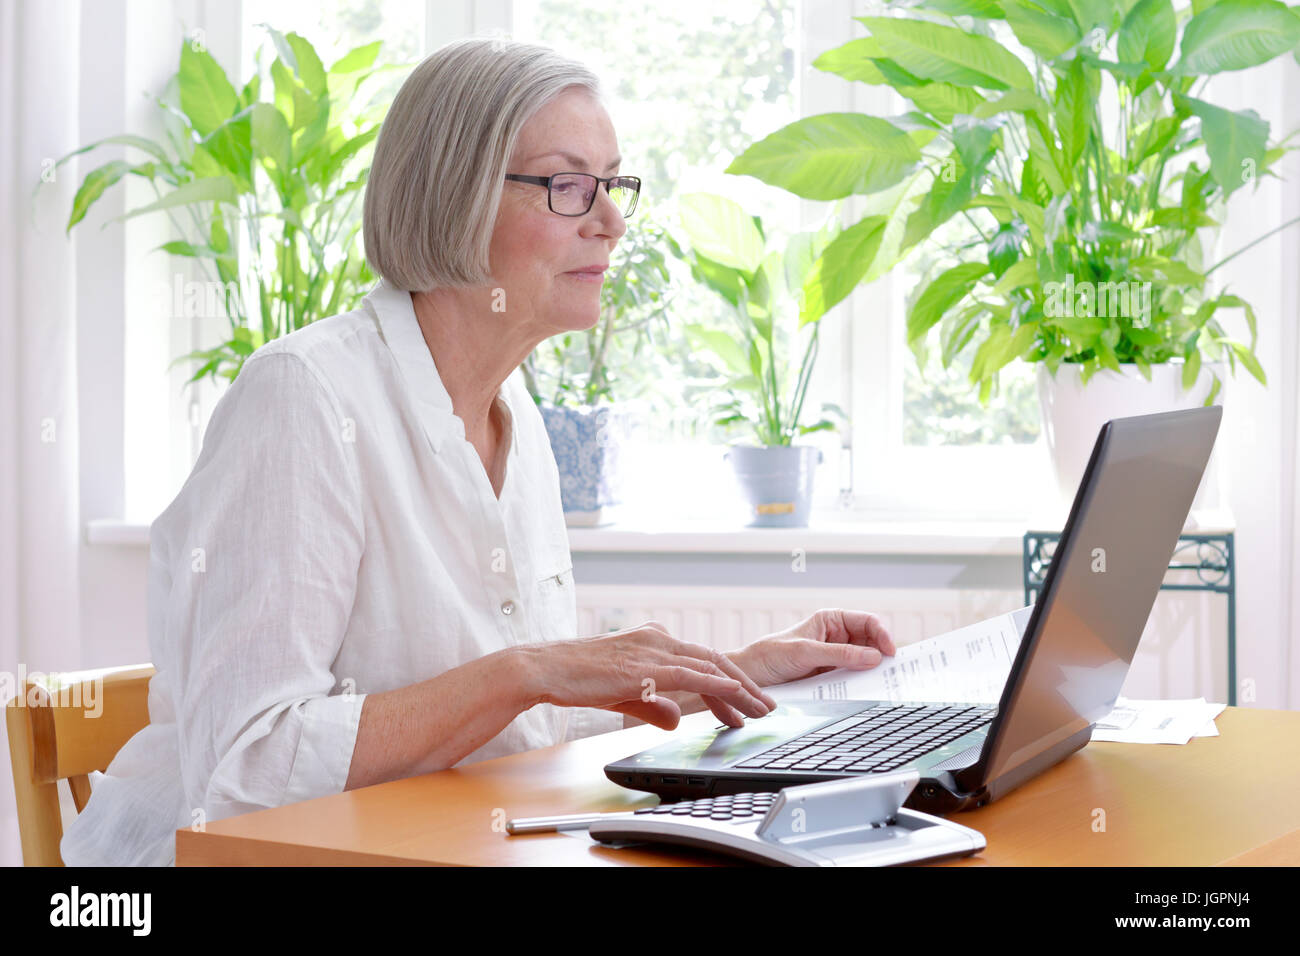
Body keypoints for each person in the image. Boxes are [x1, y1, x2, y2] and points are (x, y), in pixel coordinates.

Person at [61, 36, 895, 866]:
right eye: (570, 186)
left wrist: (728, 674)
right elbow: (245, 770)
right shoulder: (302, 399)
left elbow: (523, 726)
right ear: (455, 194)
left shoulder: (516, 419)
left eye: (613, 186)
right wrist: (524, 670)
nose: (610, 221)